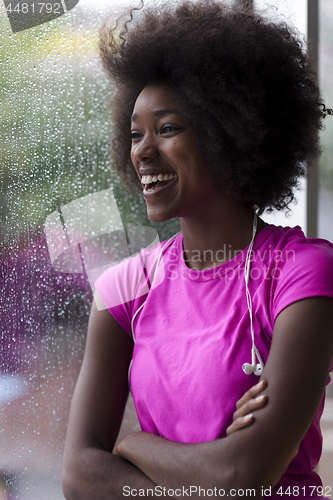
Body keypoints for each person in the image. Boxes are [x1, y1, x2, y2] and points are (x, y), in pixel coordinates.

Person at [61, 1, 333, 499]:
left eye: (167, 129)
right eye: (135, 134)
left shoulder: (303, 272)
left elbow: (241, 476)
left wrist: (134, 444)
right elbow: (79, 475)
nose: (141, 152)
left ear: (230, 133)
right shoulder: (124, 290)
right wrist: (199, 478)